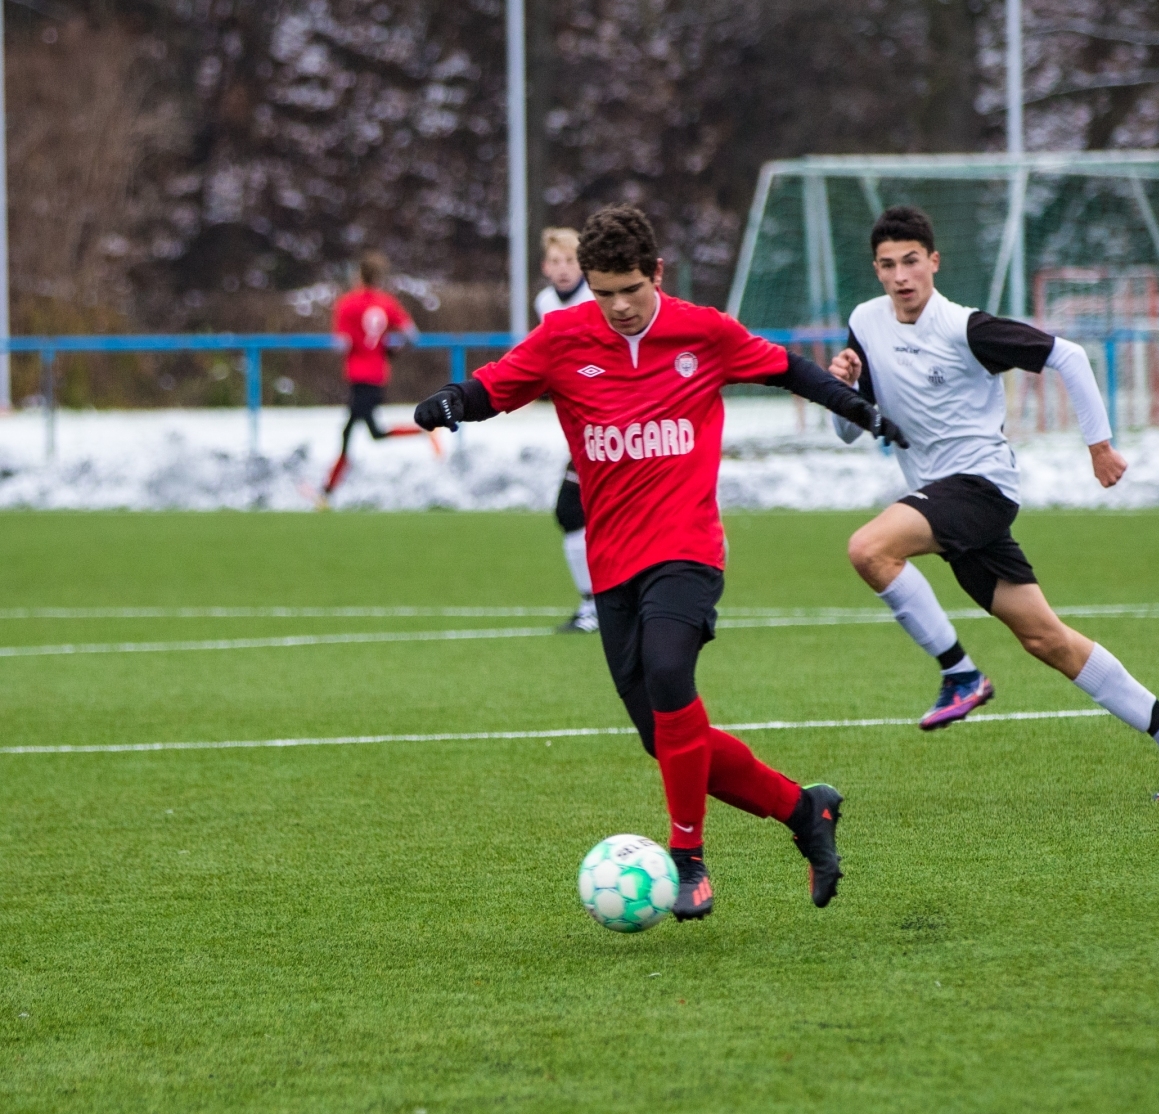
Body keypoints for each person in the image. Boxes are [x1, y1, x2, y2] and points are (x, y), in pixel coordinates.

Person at [412, 204, 908, 922]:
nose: (617, 306)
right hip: (612, 561)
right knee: (667, 737)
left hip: (686, 547)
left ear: (657, 273)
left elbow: (790, 370)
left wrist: (862, 409)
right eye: (603, 292)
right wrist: (450, 401)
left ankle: (687, 858)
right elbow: (495, 386)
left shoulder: (703, 332)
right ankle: (806, 811)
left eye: (630, 290)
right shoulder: (563, 337)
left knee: (671, 672)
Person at [826, 205, 1159, 801]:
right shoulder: (866, 323)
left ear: (934, 262)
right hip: (942, 500)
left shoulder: (965, 328)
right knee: (1046, 639)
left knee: (869, 549)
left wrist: (1100, 448)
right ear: (875, 270)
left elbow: (1069, 355)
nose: (901, 276)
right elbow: (851, 432)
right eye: (888, 265)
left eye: (911, 261)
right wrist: (844, 389)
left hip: (980, 487)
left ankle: (960, 674)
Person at [321, 252, 431, 500]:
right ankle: (327, 490)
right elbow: (412, 335)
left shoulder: (347, 303)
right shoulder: (387, 303)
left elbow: (340, 343)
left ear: (359, 275)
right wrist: (390, 350)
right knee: (367, 432)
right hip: (377, 374)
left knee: (358, 432)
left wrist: (354, 344)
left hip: (358, 375)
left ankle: (327, 491)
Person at [534, 227, 600, 633]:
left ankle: (599, 606)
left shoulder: (597, 299)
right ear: (545, 266)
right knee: (576, 511)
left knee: (574, 509)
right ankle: (600, 605)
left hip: (609, 420)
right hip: (581, 425)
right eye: (555, 261)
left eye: (570, 261)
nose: (563, 269)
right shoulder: (545, 302)